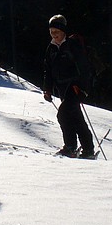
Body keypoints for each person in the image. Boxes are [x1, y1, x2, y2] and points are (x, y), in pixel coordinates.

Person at [43, 15, 95, 158]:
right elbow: (48, 70)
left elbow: (84, 68)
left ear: (63, 30)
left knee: (63, 114)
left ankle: (71, 147)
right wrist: (47, 89)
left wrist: (82, 88)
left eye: (56, 31)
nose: (54, 34)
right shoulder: (51, 48)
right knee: (76, 117)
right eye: (51, 31)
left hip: (75, 87)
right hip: (62, 89)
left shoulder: (72, 44)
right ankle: (88, 150)